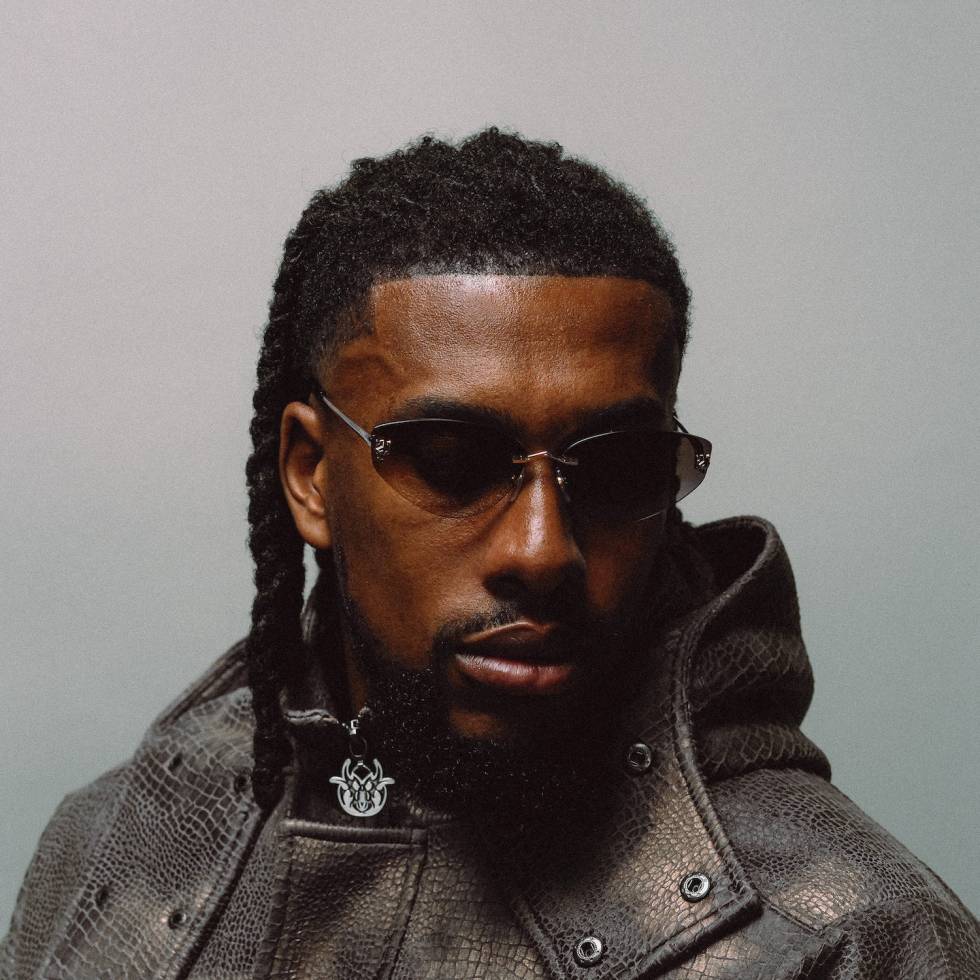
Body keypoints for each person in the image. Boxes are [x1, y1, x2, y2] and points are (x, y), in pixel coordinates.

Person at [2, 129, 975, 980]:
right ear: (309, 473)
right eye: (452, 460)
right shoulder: (113, 849)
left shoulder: (850, 935)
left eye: (617, 467)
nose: (543, 550)